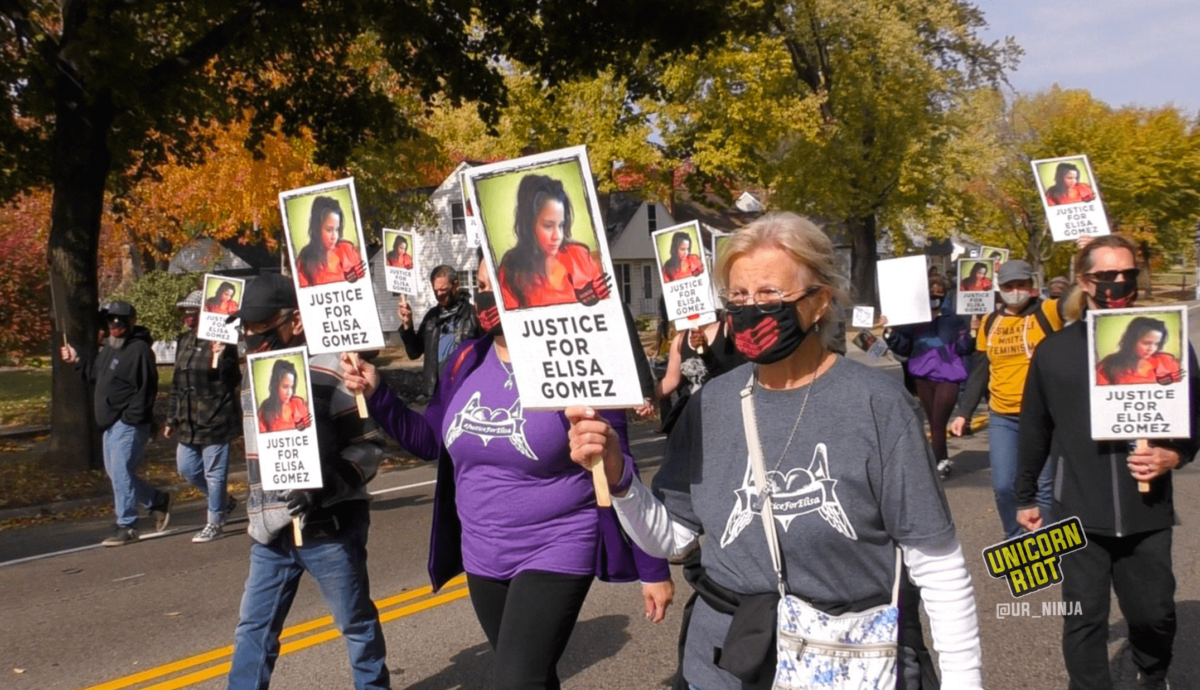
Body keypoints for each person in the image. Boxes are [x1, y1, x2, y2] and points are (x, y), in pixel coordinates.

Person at [569, 213, 983, 689]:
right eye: (739, 297)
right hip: (726, 661)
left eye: (770, 295)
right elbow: (673, 539)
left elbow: (938, 565)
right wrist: (620, 476)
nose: (751, 310)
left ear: (819, 302)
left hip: (845, 661)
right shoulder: (712, 405)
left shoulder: (877, 405)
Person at [341, 264, 674, 690]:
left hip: (558, 542)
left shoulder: (576, 359)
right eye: (480, 287)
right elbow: (430, 441)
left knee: (516, 681)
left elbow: (619, 466)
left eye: (496, 284)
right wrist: (377, 393)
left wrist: (652, 564)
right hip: (482, 551)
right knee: (532, 675)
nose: (485, 298)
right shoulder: (466, 359)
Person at [1015, 234, 1197, 690]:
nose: (1119, 282)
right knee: (1083, 617)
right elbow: (1035, 428)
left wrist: (1174, 454)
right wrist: (1024, 496)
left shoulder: (1172, 352)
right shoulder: (1055, 352)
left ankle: (1152, 676)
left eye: (1128, 274)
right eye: (1107, 275)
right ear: (1085, 281)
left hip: (1147, 511)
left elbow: (1195, 421)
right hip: (1078, 510)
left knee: (1154, 614)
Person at [225, 273, 389, 690]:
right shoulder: (252, 375)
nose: (250, 337)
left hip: (329, 526)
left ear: (294, 321)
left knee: (354, 622)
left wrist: (322, 486)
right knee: (254, 628)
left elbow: (368, 447)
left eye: (260, 327)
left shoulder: (335, 369)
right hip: (270, 530)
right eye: (244, 328)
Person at [949, 259, 1062, 539]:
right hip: (1002, 417)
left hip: (1043, 417)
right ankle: (1015, 540)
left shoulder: (1049, 312)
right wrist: (964, 411)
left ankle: (1042, 543)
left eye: (1021, 284)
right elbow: (981, 369)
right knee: (1003, 486)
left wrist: (1087, 252)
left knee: (1042, 486)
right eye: (1009, 286)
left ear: (1031, 286)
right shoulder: (990, 321)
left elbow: (1079, 300)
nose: (1015, 291)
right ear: (1000, 289)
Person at [61, 301, 171, 547]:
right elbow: (94, 376)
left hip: (128, 423)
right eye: (111, 320)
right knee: (116, 473)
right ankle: (156, 500)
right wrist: (76, 359)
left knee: (121, 472)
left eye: (121, 320)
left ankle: (128, 525)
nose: (115, 324)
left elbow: (147, 388)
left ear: (131, 322)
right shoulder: (109, 348)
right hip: (109, 423)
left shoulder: (139, 350)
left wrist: (131, 417)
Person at [163, 290, 241, 544]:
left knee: (214, 473)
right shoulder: (184, 341)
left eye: (192, 312)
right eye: (184, 312)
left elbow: (231, 381)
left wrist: (221, 358)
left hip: (216, 417)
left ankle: (214, 521)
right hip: (188, 419)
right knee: (186, 468)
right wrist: (171, 418)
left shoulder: (222, 342)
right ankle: (224, 502)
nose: (187, 316)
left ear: (204, 314)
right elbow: (177, 384)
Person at [882, 275, 974, 478]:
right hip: (923, 377)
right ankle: (941, 459)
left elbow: (965, 347)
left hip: (949, 378)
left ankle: (938, 462)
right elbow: (903, 346)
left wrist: (971, 333)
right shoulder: (914, 321)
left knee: (939, 422)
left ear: (945, 294)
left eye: (939, 292)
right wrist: (889, 332)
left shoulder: (954, 319)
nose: (935, 295)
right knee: (932, 422)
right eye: (931, 292)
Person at [496, 174, 611, 309]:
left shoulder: (579, 256)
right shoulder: (512, 271)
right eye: (548, 226)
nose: (558, 236)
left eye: (561, 225)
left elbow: (610, 311)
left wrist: (594, 304)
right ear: (528, 225)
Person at [398, 265, 482, 399]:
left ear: (456, 286)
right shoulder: (431, 317)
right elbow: (414, 352)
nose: (439, 295)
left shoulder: (473, 315)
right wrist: (407, 324)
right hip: (436, 393)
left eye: (444, 290)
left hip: (467, 389)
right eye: (435, 290)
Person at [653, 315, 743, 436]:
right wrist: (645, 399)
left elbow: (734, 377)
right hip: (693, 417)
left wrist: (706, 352)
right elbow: (671, 380)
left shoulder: (729, 330)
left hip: (726, 415)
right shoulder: (680, 340)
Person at [295, 195, 366, 287]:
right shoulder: (305, 261)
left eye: (337, 229)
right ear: (317, 228)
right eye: (329, 230)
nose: (334, 236)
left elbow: (365, 285)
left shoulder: (348, 250)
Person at [1096, 317, 1183, 385]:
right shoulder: (1109, 365)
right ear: (1132, 340)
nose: (1151, 349)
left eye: (1156, 344)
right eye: (1146, 343)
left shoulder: (1166, 361)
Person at [256, 359, 312, 433]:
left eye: (291, 387)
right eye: (285, 387)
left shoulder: (299, 404)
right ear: (275, 385)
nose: (289, 392)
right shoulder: (264, 411)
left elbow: (310, 431)